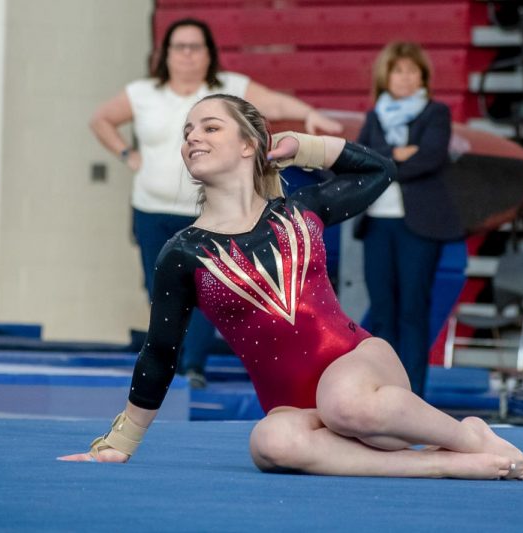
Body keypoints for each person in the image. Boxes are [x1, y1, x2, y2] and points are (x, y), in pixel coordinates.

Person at [61, 94, 523, 480]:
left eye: (209, 127)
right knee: (270, 442)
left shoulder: (298, 210)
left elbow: (380, 171)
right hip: (299, 412)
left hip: (361, 370)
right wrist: (120, 442)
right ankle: (440, 466)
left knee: (345, 403)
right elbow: (160, 352)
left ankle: (468, 437)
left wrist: (303, 145)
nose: (192, 138)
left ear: (250, 145)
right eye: (187, 132)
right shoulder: (184, 253)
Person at [89, 18, 342, 388]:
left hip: (208, 212)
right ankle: (170, 365)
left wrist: (307, 113)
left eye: (196, 47)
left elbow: (272, 100)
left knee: (210, 288)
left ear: (209, 54)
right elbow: (101, 119)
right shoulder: (143, 93)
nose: (188, 55)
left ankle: (194, 367)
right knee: (159, 288)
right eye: (180, 47)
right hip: (151, 209)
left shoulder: (228, 88)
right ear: (166, 54)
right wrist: (128, 154)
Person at [356, 42, 461, 398]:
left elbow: (430, 158)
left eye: (412, 71)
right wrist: (396, 155)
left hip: (419, 226)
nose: (404, 78)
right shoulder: (374, 116)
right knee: (382, 311)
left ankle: (414, 394)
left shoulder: (436, 113)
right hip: (377, 225)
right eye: (398, 70)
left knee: (413, 311)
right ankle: (384, 391)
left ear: (423, 77)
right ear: (386, 76)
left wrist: (383, 161)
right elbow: (360, 159)